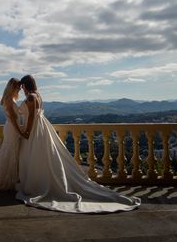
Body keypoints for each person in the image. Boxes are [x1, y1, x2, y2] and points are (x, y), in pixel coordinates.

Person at [16, 75, 140, 213]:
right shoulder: (38, 95)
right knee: (42, 156)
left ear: (26, 85)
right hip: (42, 128)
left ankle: (37, 185)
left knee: (36, 156)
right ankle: (40, 182)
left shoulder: (31, 98)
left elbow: (31, 117)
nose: (22, 90)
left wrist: (25, 133)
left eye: (22, 87)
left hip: (35, 129)